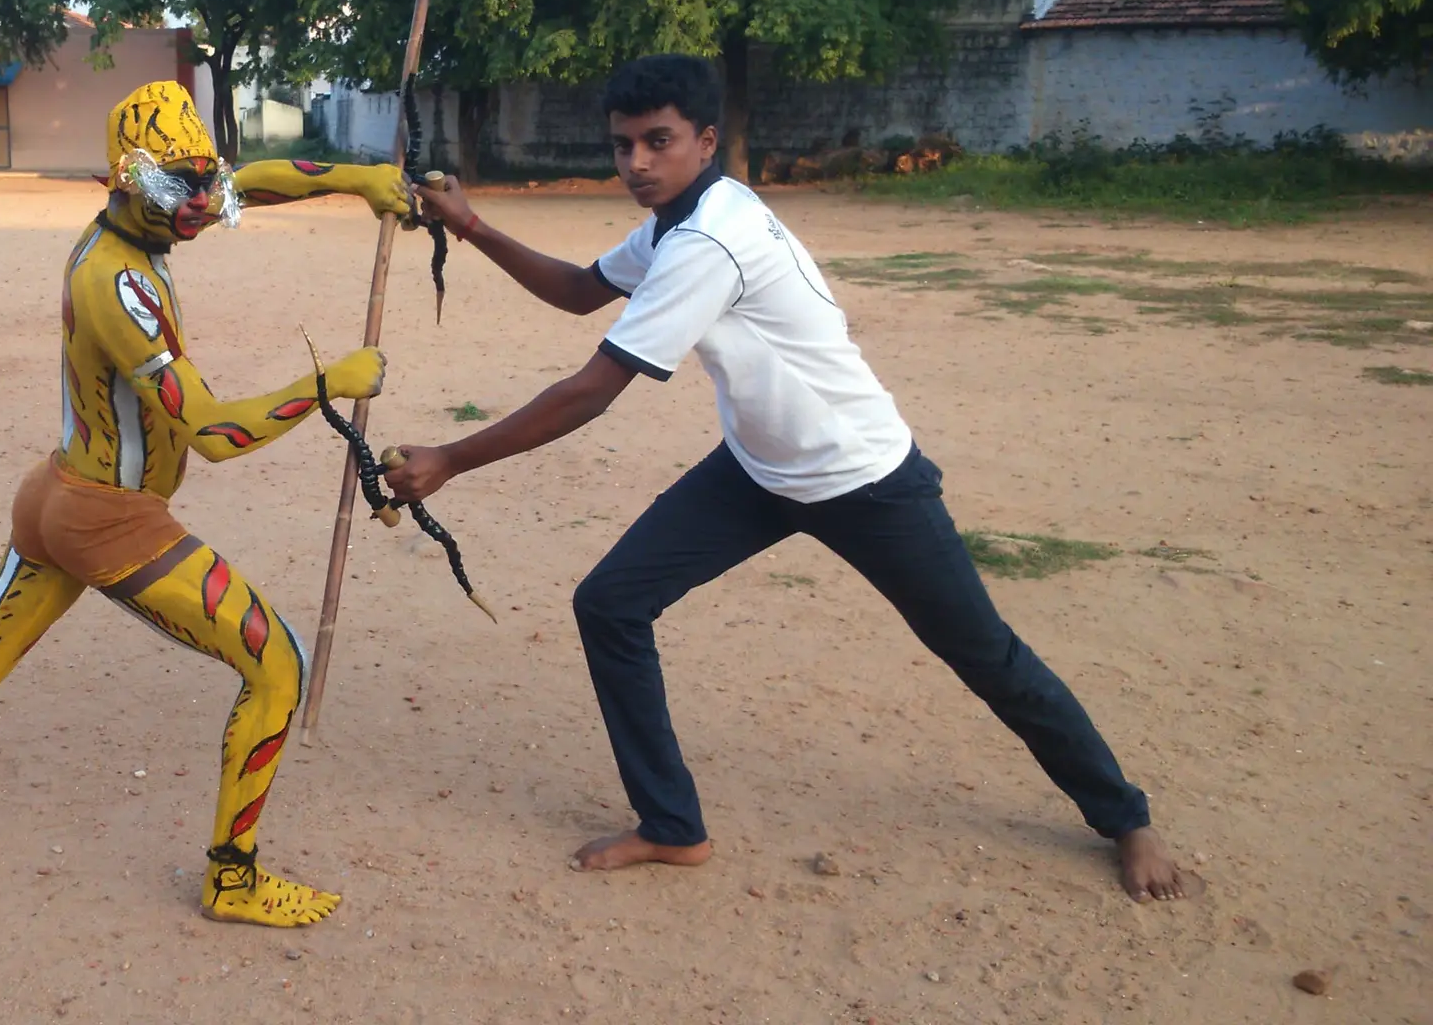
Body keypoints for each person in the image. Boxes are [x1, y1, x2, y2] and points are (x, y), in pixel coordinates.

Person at [383, 54, 1192, 902]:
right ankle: (671, 826)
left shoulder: (707, 240)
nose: (637, 165)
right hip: (762, 470)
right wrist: (471, 227)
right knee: (612, 602)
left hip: (862, 474)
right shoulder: (679, 218)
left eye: (658, 143)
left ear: (704, 140)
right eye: (623, 146)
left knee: (983, 653)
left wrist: (449, 460)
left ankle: (1126, 816)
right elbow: (584, 291)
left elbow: (592, 391)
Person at [0, 80, 411, 927]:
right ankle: (233, 879)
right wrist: (326, 387)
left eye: (202, 182)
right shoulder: (116, 285)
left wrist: (356, 180)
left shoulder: (152, 212)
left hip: (57, 496)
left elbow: (254, 178)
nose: (205, 204)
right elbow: (211, 433)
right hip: (110, 521)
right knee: (277, 666)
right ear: (126, 178)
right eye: (185, 188)